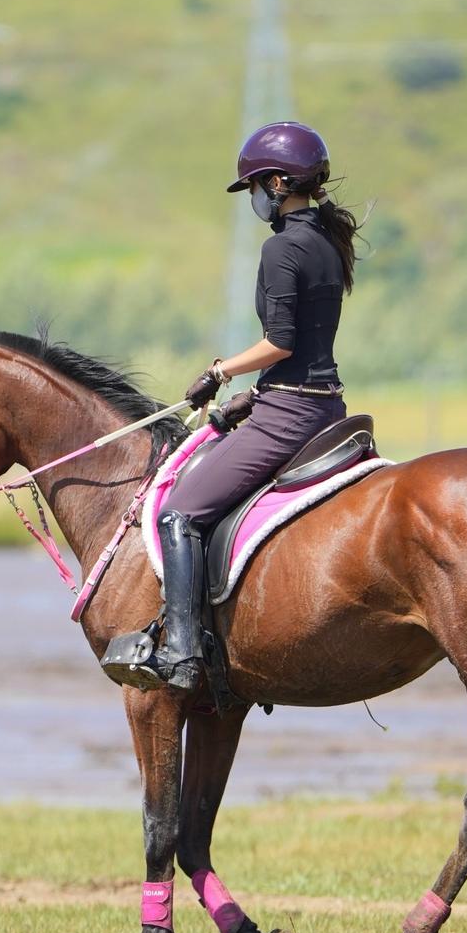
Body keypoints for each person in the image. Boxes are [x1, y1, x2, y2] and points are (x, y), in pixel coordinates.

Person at [104, 121, 362, 691]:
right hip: (325, 406)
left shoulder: (282, 248)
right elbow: (308, 354)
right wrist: (248, 398)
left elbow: (282, 343)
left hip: (289, 416)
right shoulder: (325, 241)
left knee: (179, 512)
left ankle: (185, 653)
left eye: (252, 188)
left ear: (275, 183)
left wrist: (219, 372)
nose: (252, 200)